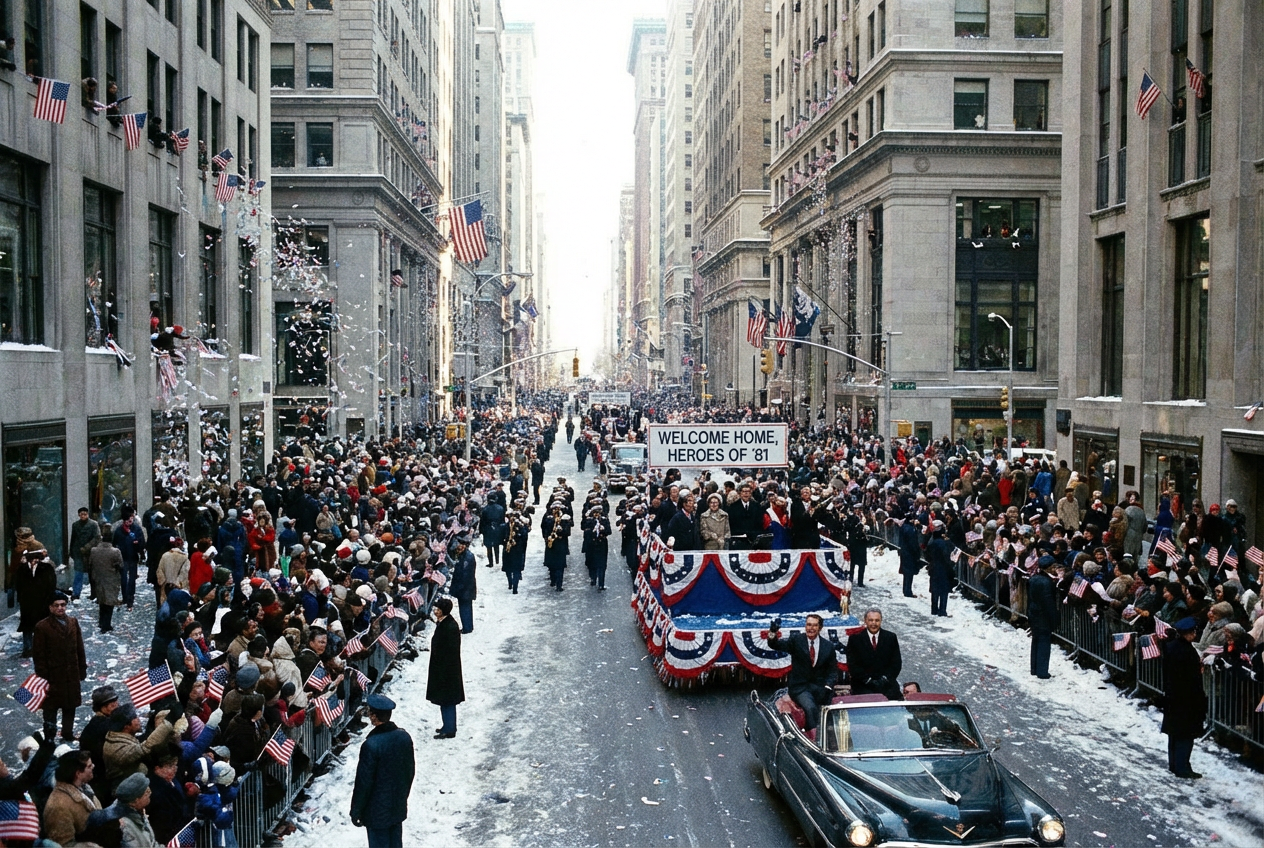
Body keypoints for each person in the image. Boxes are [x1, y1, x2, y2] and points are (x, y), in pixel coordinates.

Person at [349, 694, 415, 848]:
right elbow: (409, 772)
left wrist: (356, 810)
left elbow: (363, 783)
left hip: (376, 812)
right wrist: (402, 796)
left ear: (373, 716)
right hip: (397, 806)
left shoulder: (371, 745)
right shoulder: (404, 737)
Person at [766, 614, 838, 734]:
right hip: (800, 687)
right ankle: (813, 737)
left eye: (815, 625)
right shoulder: (796, 640)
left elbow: (832, 670)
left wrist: (828, 686)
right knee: (810, 707)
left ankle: (829, 737)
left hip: (820, 688)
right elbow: (774, 645)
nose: (811, 628)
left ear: (820, 628)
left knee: (829, 710)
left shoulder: (828, 646)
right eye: (808, 625)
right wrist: (773, 632)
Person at [33, 591, 88, 741]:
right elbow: (39, 655)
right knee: (50, 708)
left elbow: (80, 648)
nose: (60, 608)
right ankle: (49, 736)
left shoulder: (73, 622)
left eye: (63, 605)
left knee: (70, 706)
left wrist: (81, 669)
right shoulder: (42, 627)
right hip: (53, 676)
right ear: (50, 607)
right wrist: (43, 678)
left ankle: (67, 733)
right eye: (56, 605)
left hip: (71, 674)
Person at [1160, 617, 1206, 779]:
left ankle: (1174, 764)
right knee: (1185, 736)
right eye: (1193, 632)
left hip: (1173, 696)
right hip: (1187, 699)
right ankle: (1182, 767)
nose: (1194, 634)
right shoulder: (1188, 652)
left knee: (1174, 734)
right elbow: (1193, 680)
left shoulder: (1171, 647)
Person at [426, 597, 464, 739]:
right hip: (444, 668)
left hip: (446, 670)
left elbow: (449, 649)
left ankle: (449, 729)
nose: (435, 611)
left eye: (438, 609)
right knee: (445, 700)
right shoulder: (445, 623)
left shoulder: (449, 627)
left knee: (447, 701)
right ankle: (447, 725)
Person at [845, 607, 903, 700]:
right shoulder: (855, 639)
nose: (874, 623)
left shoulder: (890, 637)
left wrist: (884, 679)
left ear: (881, 621)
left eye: (877, 620)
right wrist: (868, 680)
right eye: (871, 620)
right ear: (865, 621)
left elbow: (896, 663)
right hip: (863, 684)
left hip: (886, 683)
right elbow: (853, 665)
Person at [14, 544, 57, 657]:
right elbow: (18, 585)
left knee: (42, 625)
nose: (35, 561)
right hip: (27, 602)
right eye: (33, 559)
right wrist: (21, 599)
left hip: (42, 601)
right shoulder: (22, 569)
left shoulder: (46, 568)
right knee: (27, 626)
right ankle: (27, 648)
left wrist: (49, 600)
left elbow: (52, 585)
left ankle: (42, 647)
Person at [1027, 556, 1059, 679]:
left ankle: (1034, 668)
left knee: (1036, 640)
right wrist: (1054, 617)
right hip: (1043, 615)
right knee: (1044, 642)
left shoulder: (1033, 579)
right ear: (1049, 567)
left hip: (1033, 613)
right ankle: (1042, 671)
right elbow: (1048, 602)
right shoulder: (1046, 582)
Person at [88, 527, 124, 632]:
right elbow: (121, 565)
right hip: (111, 579)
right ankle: (106, 625)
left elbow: (90, 564)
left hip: (98, 578)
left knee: (101, 601)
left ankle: (101, 621)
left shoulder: (94, 550)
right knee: (110, 602)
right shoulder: (115, 552)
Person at [69, 507, 101, 600]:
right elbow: (73, 538)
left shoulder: (93, 524)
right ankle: (76, 593)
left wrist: (87, 547)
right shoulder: (75, 525)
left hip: (90, 553)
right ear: (79, 515)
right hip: (78, 552)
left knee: (92, 575)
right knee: (78, 574)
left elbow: (97, 538)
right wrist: (71, 551)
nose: (83, 516)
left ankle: (94, 594)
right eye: (81, 514)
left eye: (85, 514)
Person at [447, 535, 477, 634]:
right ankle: (468, 626)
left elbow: (464, 573)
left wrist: (459, 587)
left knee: (465, 607)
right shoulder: (465, 555)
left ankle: (467, 627)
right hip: (466, 587)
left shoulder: (467, 557)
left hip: (465, 587)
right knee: (465, 606)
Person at [925, 521, 953, 617]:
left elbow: (927, 555)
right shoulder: (944, 543)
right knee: (944, 591)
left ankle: (934, 609)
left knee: (935, 590)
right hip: (943, 569)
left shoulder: (931, 543)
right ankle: (942, 610)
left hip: (933, 567)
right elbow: (947, 556)